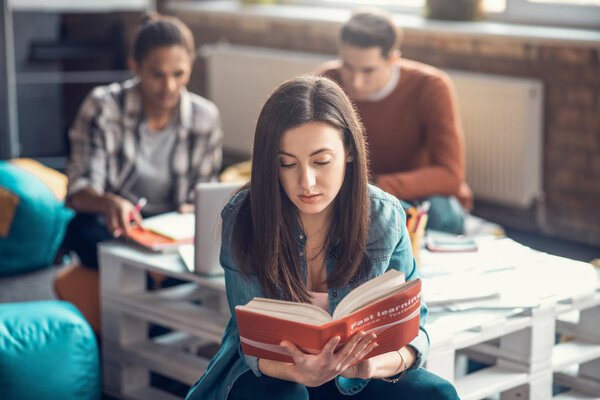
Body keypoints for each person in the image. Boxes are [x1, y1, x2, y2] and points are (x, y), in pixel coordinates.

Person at [186, 75, 458, 399]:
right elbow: (250, 344)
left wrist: (372, 367)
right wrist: (299, 372)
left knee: (437, 393)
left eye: (321, 161)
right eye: (287, 164)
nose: (307, 182)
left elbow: (416, 332)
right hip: (274, 373)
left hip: (359, 374)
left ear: (349, 152)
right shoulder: (244, 218)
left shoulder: (385, 215)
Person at [53, 13, 223, 333]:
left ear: (190, 66)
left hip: (171, 228)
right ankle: (148, 336)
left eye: (179, 73)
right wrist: (107, 202)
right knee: (89, 236)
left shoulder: (205, 117)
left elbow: (203, 192)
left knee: (209, 265)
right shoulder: (103, 106)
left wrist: (194, 210)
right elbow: (78, 191)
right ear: (135, 67)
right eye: (157, 75)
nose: (168, 86)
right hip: (111, 223)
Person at [319, 9, 473, 235]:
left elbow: (450, 174)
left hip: (414, 194)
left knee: (440, 216)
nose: (356, 82)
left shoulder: (431, 87)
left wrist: (378, 186)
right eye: (348, 66)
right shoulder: (329, 80)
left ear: (393, 60)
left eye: (368, 70)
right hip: (353, 192)